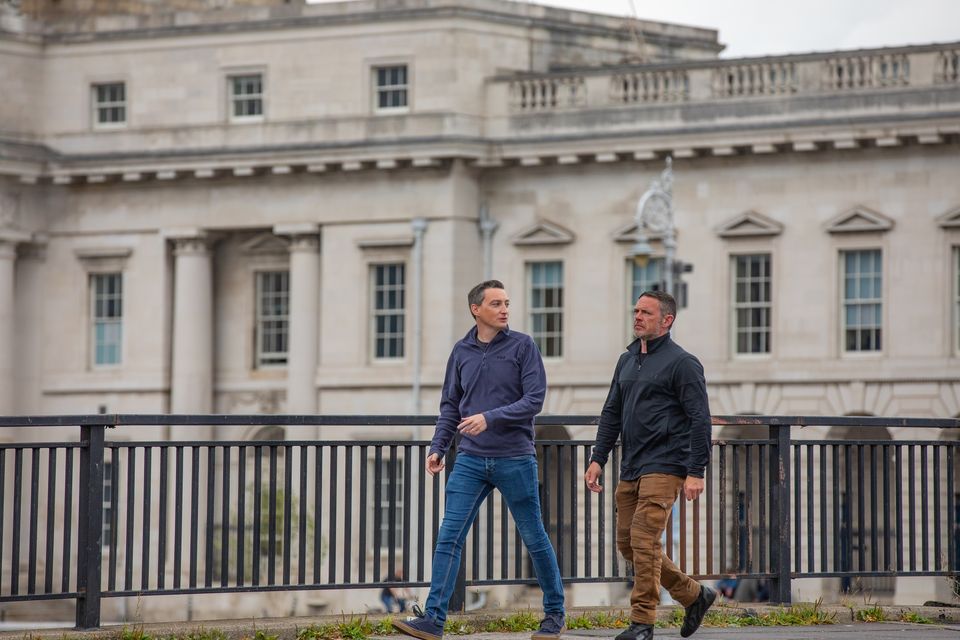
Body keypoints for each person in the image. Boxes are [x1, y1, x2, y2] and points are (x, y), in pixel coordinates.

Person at [393, 280, 565, 640]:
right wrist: (438, 446)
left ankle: (554, 616)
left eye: (506, 303)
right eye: (496, 303)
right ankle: (433, 620)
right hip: (469, 460)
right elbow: (450, 406)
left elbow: (534, 400)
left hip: (514, 457)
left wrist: (490, 417)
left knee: (534, 536)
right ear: (476, 309)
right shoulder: (461, 352)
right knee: (448, 537)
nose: (505, 309)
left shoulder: (523, 346)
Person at [584, 290, 715, 640]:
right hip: (632, 465)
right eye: (636, 311)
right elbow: (611, 411)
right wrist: (598, 458)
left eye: (646, 312)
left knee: (644, 538)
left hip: (667, 464)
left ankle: (642, 622)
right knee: (629, 544)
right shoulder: (626, 360)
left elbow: (700, 418)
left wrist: (695, 471)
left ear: (667, 320)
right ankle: (694, 595)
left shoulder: (682, 363)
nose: (637, 316)